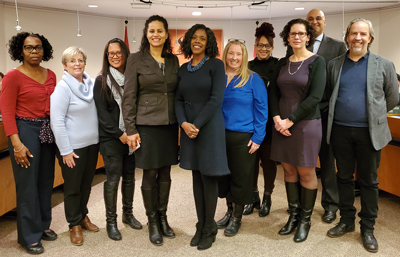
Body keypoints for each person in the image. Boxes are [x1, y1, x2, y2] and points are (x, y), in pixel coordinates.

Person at [325, 18, 398, 253]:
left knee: (368, 181)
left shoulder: (384, 65)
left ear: (370, 38)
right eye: (354, 33)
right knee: (343, 178)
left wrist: (374, 114)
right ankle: (346, 221)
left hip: (370, 133)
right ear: (347, 37)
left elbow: (393, 97)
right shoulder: (334, 64)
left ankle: (367, 228)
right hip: (340, 131)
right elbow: (328, 95)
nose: (358, 38)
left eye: (363, 34)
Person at [122, 15, 179, 247]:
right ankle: (152, 221)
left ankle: (163, 217)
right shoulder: (135, 59)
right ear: (146, 34)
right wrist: (130, 129)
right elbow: (129, 96)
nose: (156, 35)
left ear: (166, 34)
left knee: (166, 173)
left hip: (169, 125)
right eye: (151, 31)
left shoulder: (173, 61)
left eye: (160, 31)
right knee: (150, 173)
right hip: (146, 126)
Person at [287, 9, 347, 223]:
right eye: (310, 19)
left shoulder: (338, 46)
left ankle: (330, 205)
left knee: (326, 161)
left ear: (325, 22)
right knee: (300, 162)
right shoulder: (297, 44)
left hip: (324, 112)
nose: (313, 22)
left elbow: (338, 79)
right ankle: (301, 205)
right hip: (299, 114)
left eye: (317, 19)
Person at [0, 32, 57, 255]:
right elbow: (7, 111)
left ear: (45, 50)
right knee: (27, 185)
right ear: (20, 51)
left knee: (45, 181)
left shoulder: (50, 74)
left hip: (47, 131)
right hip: (25, 132)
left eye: (38, 47)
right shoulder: (13, 77)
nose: (34, 51)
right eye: (28, 47)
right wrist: (16, 144)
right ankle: (28, 236)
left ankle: (42, 226)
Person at [269, 18, 326, 242]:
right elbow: (273, 93)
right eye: (293, 34)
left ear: (308, 37)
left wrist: (289, 121)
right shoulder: (282, 63)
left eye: (301, 34)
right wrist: (276, 118)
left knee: (306, 172)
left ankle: (305, 220)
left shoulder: (317, 61)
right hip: (280, 124)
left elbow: (315, 97)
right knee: (289, 171)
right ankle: (293, 216)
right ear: (288, 37)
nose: (297, 37)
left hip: (305, 125)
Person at [175, 23, 230, 251]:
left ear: (208, 43)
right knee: (197, 177)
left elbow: (216, 99)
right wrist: (184, 124)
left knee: (209, 177)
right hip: (189, 129)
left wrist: (195, 124)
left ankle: (210, 228)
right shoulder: (183, 69)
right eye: (194, 38)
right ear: (188, 41)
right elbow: (177, 99)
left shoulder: (216, 65)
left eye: (202, 38)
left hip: (208, 127)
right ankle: (200, 224)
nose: (198, 41)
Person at [218, 39, 268, 237]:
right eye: (231, 53)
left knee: (240, 177)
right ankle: (229, 211)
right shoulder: (218, 77)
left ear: (244, 57)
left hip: (244, 137)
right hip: (219, 136)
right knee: (223, 177)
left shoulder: (253, 79)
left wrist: (258, 137)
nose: (234, 58)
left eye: (238, 54)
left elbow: (262, 109)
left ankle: (237, 217)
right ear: (225, 55)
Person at [93, 38, 142, 241]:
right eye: (110, 53)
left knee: (130, 177)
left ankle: (127, 214)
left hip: (131, 136)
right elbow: (102, 115)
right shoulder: (101, 80)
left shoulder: (133, 78)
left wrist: (132, 133)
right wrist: (121, 134)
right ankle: (111, 222)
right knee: (113, 180)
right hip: (112, 138)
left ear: (125, 55)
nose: (114, 56)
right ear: (107, 56)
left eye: (118, 53)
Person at [50, 47, 100, 246]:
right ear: (65, 65)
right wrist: (65, 151)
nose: (77, 63)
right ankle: (74, 224)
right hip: (73, 149)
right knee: (72, 188)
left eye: (80, 60)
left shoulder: (91, 84)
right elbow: (57, 122)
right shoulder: (62, 89)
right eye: (72, 61)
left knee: (86, 185)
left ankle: (83, 215)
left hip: (92, 145)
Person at [242, 22, 279, 217]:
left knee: (268, 162)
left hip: (271, 124)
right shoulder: (248, 67)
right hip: (251, 122)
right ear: (254, 47)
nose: (263, 49)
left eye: (267, 46)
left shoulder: (278, 65)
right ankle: (254, 196)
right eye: (260, 45)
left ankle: (267, 196)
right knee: (251, 162)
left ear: (272, 47)